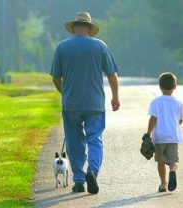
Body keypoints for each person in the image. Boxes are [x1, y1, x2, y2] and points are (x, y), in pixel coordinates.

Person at [50, 11, 120, 194]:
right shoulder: (100, 46)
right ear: (89, 28)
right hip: (94, 103)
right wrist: (115, 97)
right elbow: (112, 75)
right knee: (95, 139)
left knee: (74, 142)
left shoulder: (62, 47)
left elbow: (56, 77)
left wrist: (64, 92)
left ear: (73, 28)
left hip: (71, 103)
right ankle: (93, 170)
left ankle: (79, 180)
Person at [146, 72, 183, 192]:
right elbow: (180, 121)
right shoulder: (179, 103)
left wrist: (147, 134)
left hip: (159, 137)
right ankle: (173, 171)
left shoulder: (155, 102)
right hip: (173, 136)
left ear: (160, 86)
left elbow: (153, 119)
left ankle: (163, 183)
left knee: (160, 161)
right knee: (173, 160)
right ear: (175, 86)